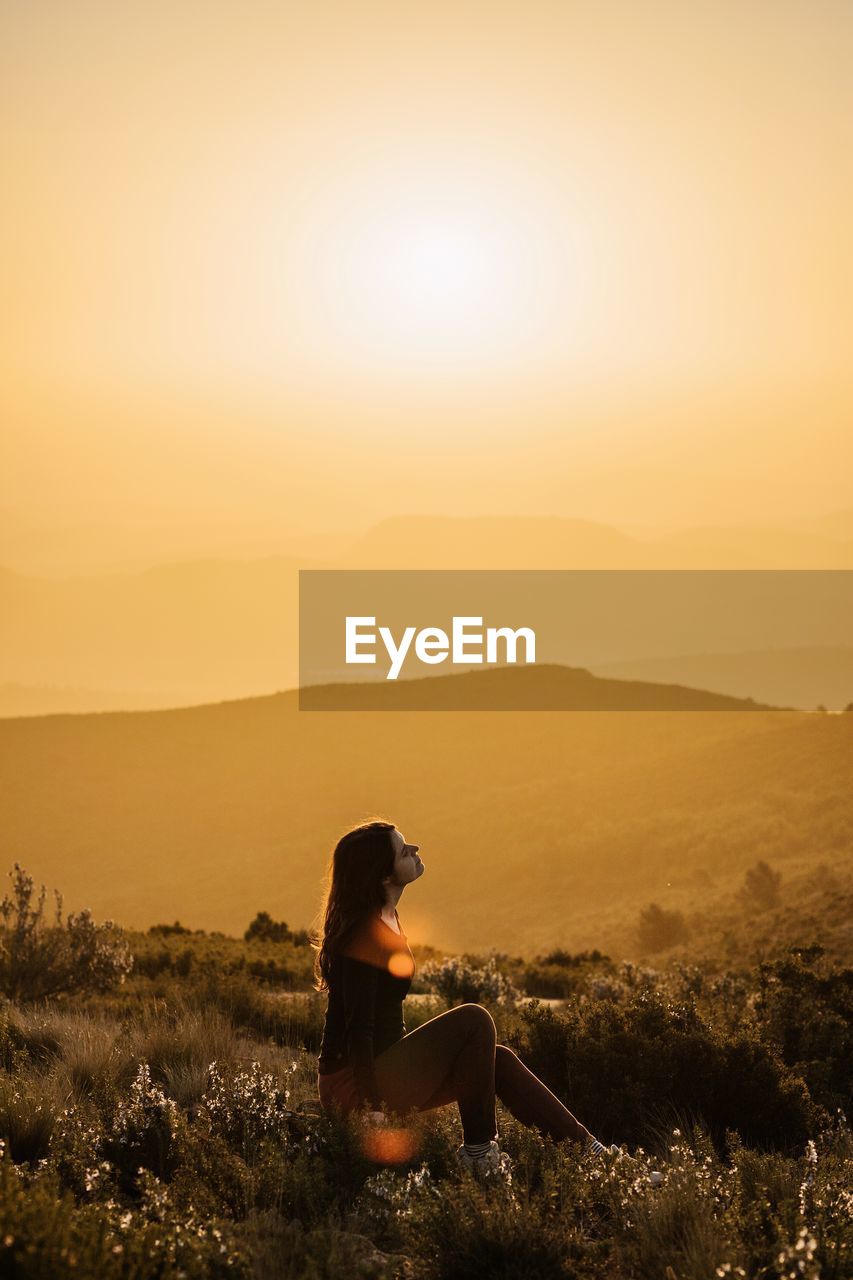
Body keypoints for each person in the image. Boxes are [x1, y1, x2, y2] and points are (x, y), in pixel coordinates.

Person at [314, 818, 621, 1176]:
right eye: (402, 850)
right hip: (352, 1085)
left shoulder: (388, 916)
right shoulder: (363, 936)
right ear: (383, 875)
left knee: (498, 1060)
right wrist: (372, 1109)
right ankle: (478, 1155)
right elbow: (358, 1030)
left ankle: (592, 1153)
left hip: (383, 1071)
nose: (415, 849)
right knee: (474, 1019)